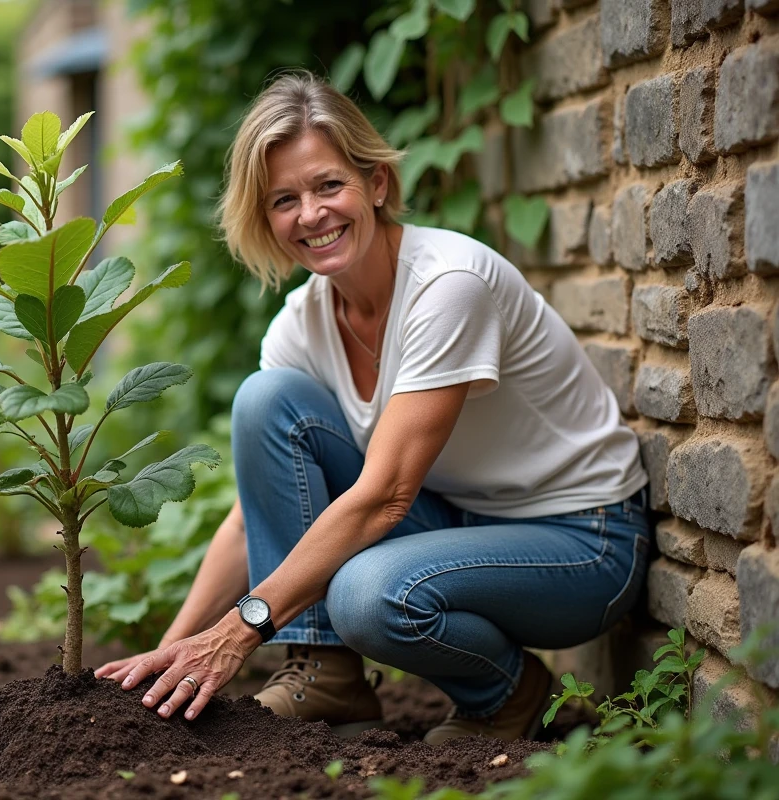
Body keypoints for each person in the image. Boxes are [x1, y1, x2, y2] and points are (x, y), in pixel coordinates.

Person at [95, 70, 650, 745]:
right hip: (463, 521)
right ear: (264, 218)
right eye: (284, 200)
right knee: (265, 401)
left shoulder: (447, 286)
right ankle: (328, 678)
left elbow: (385, 496)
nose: (312, 215)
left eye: (330, 185)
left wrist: (237, 632)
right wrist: (170, 655)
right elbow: (252, 522)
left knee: (367, 593)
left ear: (376, 185)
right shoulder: (301, 323)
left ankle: (512, 694)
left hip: (582, 544)